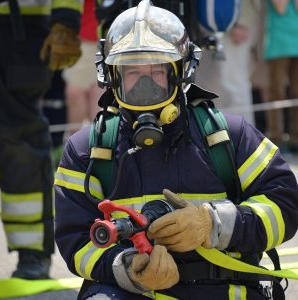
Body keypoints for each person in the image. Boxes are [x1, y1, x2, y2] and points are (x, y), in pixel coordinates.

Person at [54, 1, 298, 299]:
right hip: (131, 292)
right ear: (112, 76)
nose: (145, 83)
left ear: (181, 72)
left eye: (158, 70)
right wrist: (127, 269)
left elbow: (285, 206)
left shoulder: (229, 136)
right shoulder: (88, 150)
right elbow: (75, 239)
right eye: (132, 72)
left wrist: (213, 224)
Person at [0, 0, 82, 279]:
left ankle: (32, 250)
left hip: (19, 28)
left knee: (19, 142)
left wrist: (66, 21)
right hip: (21, 28)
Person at [195, 0, 261, 126]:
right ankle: (215, 134)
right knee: (208, 88)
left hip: (232, 21)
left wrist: (243, 20)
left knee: (234, 85)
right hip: (202, 23)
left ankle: (245, 138)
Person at [62, 0, 104, 140]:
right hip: (81, 37)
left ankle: (98, 144)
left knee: (99, 96)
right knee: (75, 92)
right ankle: (74, 145)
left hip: (109, 38)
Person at [263, 0, 298, 151]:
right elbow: (280, 7)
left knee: (296, 93)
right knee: (277, 92)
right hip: (278, 44)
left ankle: (295, 138)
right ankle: (276, 137)